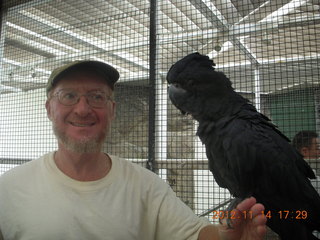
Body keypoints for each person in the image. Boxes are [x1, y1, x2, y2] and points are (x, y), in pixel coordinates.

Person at [0, 60, 267, 240]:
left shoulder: (146, 186)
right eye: (69, 96)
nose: (83, 109)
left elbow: (195, 234)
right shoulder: (7, 189)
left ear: (112, 110)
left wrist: (227, 236)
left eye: (96, 97)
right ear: (49, 109)